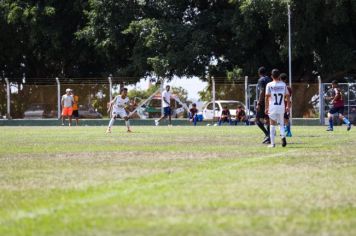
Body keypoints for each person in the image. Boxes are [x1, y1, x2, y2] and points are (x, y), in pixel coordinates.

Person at [265, 69, 291, 148]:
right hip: (281, 106)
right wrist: (288, 106)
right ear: (279, 76)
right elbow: (288, 95)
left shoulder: (269, 85)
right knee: (281, 124)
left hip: (272, 107)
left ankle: (272, 144)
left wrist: (266, 107)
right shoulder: (283, 84)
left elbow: (266, 97)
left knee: (272, 124)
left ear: (271, 76)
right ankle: (283, 137)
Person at [256, 66, 272, 144]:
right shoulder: (270, 79)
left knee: (257, 120)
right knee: (268, 120)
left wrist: (259, 103)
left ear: (259, 73)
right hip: (270, 101)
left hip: (263, 102)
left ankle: (267, 134)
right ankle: (269, 137)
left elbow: (262, 91)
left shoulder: (261, 80)